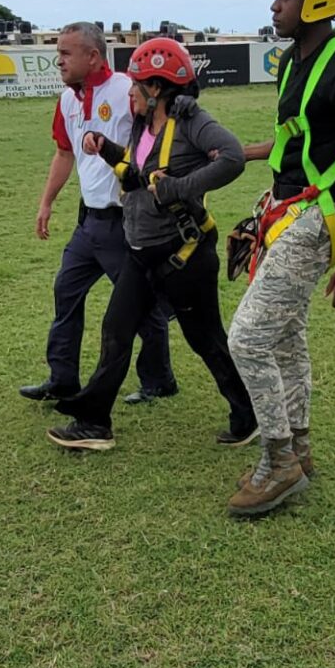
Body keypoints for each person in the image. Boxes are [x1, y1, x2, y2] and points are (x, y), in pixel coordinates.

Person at [226, 0, 335, 517]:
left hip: (319, 221)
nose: (274, 5)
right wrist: (243, 154)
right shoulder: (294, 59)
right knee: (286, 339)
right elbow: (299, 140)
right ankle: (299, 444)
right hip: (286, 209)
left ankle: (277, 463)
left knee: (247, 339)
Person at [47, 38, 256, 451]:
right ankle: (93, 423)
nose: (129, 92)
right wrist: (106, 149)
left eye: (136, 85)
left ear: (156, 89)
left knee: (205, 340)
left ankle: (248, 414)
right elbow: (138, 172)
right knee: (116, 330)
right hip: (142, 253)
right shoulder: (145, 124)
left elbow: (231, 156)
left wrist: (180, 187)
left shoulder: (191, 120)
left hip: (184, 257)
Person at [20, 23, 176, 408]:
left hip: (125, 222)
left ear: (93, 56)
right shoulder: (67, 100)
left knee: (138, 305)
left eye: (66, 53)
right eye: (58, 53)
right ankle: (62, 379)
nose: (59, 60)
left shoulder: (126, 89)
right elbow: (63, 153)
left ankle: (158, 379)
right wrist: (46, 202)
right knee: (66, 291)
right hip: (88, 222)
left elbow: (160, 134)